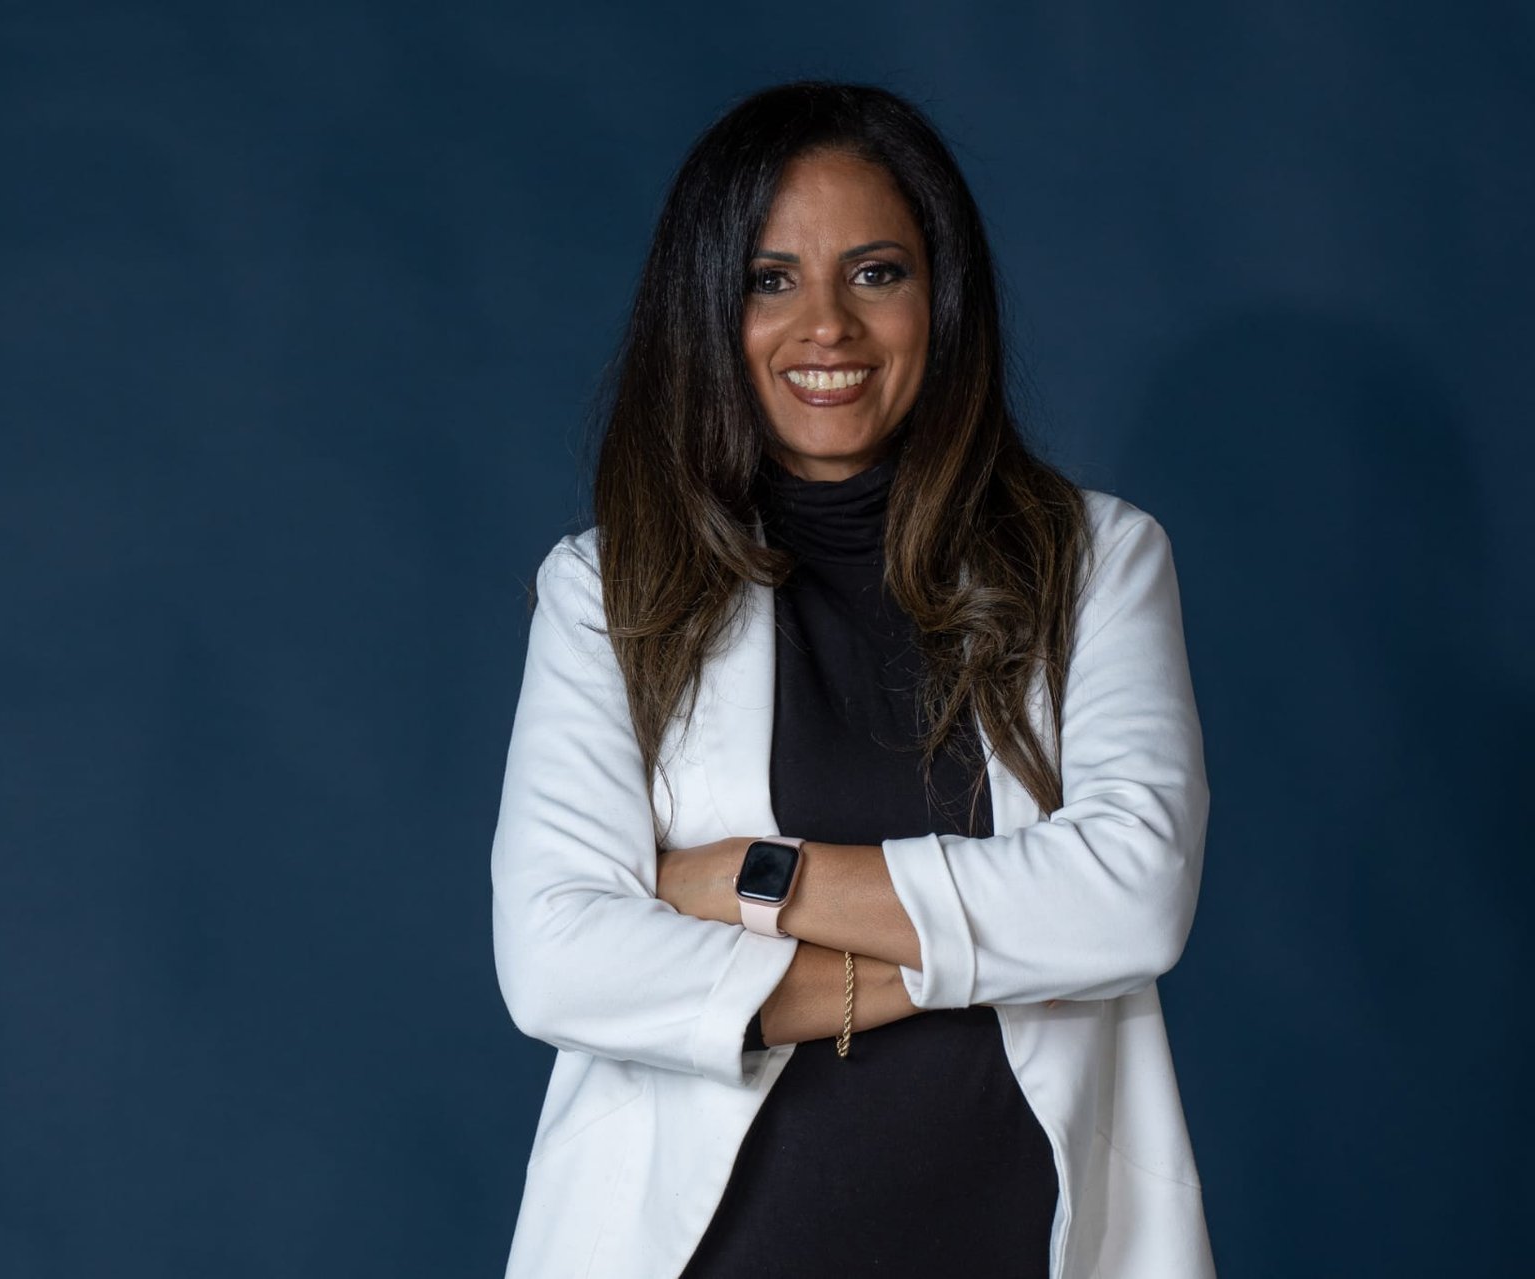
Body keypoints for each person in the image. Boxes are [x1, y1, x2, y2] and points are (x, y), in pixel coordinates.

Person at [489, 80, 1214, 1279]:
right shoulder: (608, 587)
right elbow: (558, 956)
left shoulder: (1095, 561)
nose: (825, 324)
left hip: (1015, 1243)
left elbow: (1133, 894)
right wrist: (941, 964)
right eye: (770, 279)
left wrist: (750, 881)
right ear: (709, 312)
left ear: (942, 298)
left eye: (876, 272)